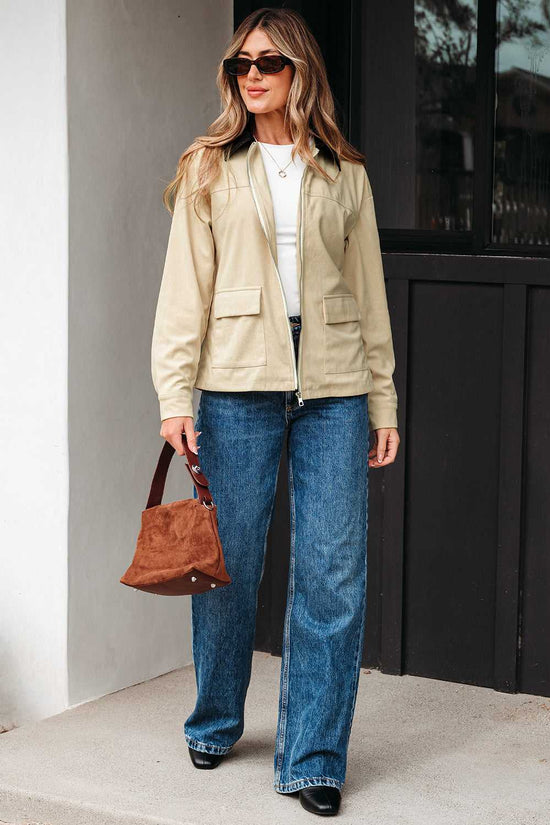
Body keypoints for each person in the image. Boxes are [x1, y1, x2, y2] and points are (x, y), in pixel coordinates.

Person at [151, 6, 400, 817]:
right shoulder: (208, 168)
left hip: (332, 388)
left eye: (268, 63)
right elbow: (184, 292)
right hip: (234, 382)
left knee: (332, 574)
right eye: (240, 65)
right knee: (231, 566)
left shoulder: (344, 173)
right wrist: (173, 397)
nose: (251, 75)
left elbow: (369, 299)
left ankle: (313, 756)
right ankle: (218, 717)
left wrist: (382, 396)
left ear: (301, 73)